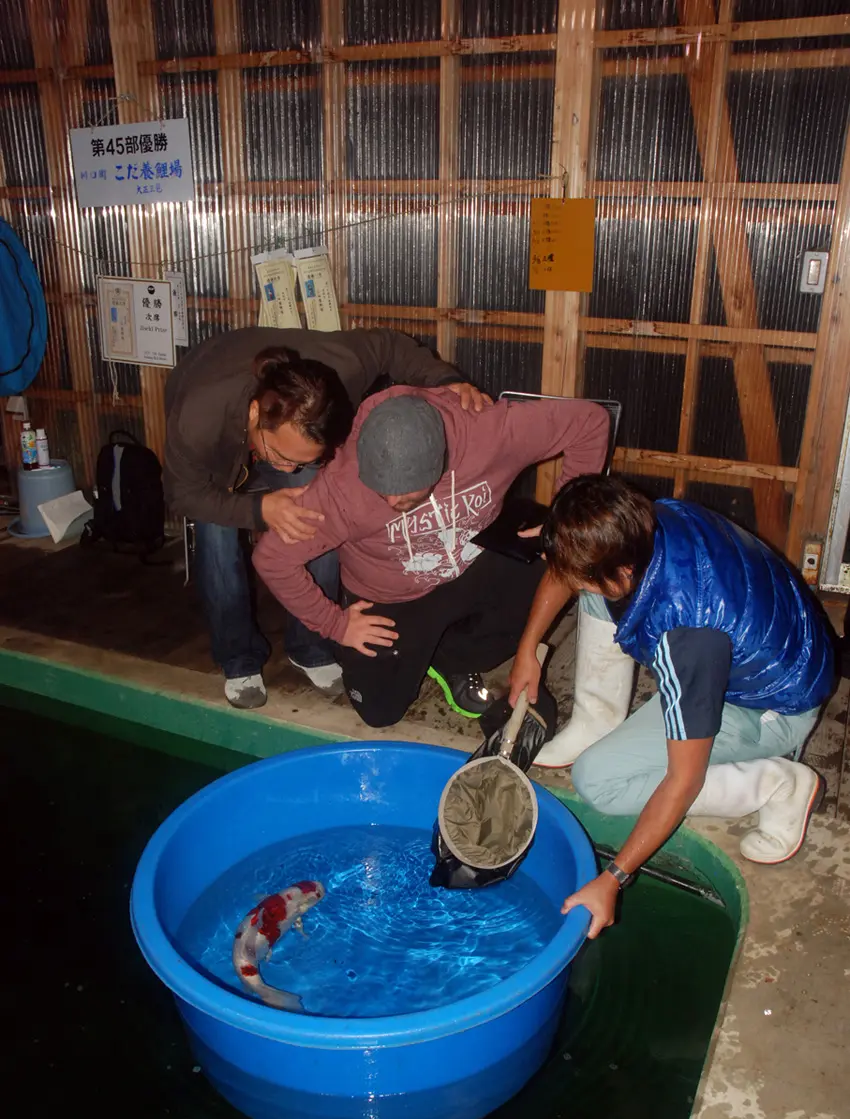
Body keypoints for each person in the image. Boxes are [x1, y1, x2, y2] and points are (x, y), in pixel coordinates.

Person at [509, 475, 836, 938]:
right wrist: (529, 649)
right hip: (779, 637)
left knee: (596, 781)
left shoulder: (687, 638)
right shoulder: (645, 520)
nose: (566, 580)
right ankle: (594, 721)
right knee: (596, 593)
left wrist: (612, 878)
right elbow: (572, 570)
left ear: (623, 573)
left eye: (575, 574)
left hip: (775, 705)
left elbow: (684, 779)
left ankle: (777, 783)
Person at [164, 326, 487, 708]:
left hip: (280, 427)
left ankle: (311, 646)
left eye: (301, 459)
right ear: (255, 413)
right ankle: (238, 659)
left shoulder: (338, 369)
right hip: (214, 451)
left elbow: (388, 344)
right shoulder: (198, 416)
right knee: (217, 541)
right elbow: (181, 493)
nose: (285, 468)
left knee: (318, 517)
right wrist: (259, 508)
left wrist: (446, 381)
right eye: (282, 456)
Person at [253, 386, 610, 727]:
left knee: (555, 564)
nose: (393, 504)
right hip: (391, 595)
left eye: (406, 497)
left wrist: (563, 523)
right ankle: (425, 648)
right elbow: (272, 559)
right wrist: (336, 624)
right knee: (380, 712)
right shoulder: (340, 490)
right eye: (382, 491)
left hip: (472, 563)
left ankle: (452, 657)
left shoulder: (490, 432)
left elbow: (590, 421)